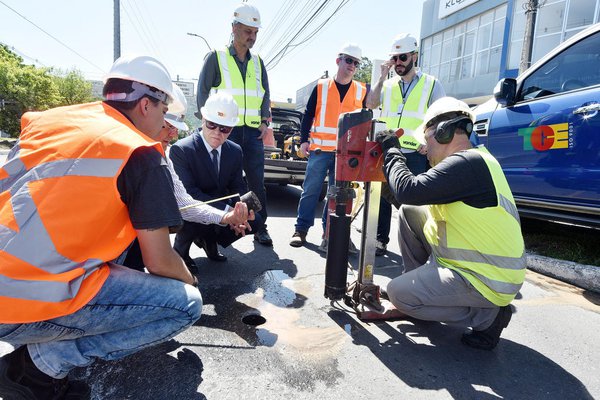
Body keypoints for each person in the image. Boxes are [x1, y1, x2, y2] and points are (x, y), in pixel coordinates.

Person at [0, 54, 202, 398]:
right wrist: (189, 277)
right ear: (144, 106)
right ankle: (37, 367)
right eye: (164, 110)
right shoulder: (139, 151)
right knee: (187, 303)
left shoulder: (51, 121)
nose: (164, 121)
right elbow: (159, 261)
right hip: (21, 303)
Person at [375, 97, 526, 350]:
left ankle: (488, 317)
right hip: (470, 266)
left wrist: (392, 150)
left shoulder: (468, 163)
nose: (424, 149)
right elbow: (410, 201)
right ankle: (418, 289)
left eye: (427, 140)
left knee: (399, 294)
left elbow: (409, 189)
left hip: (487, 278)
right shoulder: (471, 163)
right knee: (411, 212)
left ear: (443, 132)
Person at [123, 84, 251, 272]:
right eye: (168, 125)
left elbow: (185, 205)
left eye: (224, 128)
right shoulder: (129, 151)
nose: (175, 134)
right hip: (94, 264)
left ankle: (210, 243)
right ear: (145, 109)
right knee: (185, 299)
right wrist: (185, 278)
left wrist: (230, 215)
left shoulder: (161, 153)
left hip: (123, 250)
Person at [196, 2, 273, 246]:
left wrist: (263, 122)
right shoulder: (216, 58)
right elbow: (202, 95)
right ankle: (215, 228)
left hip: (251, 134)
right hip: (224, 131)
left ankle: (259, 226)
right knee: (221, 182)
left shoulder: (258, 62)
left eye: (255, 32)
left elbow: (265, 94)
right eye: (248, 31)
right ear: (234, 28)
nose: (252, 36)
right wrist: (209, 129)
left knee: (255, 181)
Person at [366, 33, 446, 256]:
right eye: (394, 59)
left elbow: (441, 116)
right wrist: (382, 76)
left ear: (414, 56)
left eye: (402, 58)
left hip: (415, 153)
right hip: (389, 150)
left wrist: (430, 144)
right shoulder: (388, 84)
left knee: (413, 203)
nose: (398, 63)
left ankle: (420, 244)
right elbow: (371, 103)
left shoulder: (431, 84)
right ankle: (380, 240)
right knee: (382, 197)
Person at [170, 92, 264, 268]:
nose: (216, 132)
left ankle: (210, 241)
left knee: (256, 220)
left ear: (231, 129)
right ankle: (181, 250)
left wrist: (243, 211)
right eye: (212, 124)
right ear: (203, 119)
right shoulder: (181, 150)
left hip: (219, 206)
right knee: (193, 212)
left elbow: (238, 187)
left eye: (224, 129)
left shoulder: (235, 151)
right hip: (192, 207)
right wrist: (229, 213)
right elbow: (189, 195)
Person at [289, 43, 367, 250]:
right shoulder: (322, 86)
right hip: (320, 150)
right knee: (310, 191)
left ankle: (330, 233)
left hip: (344, 153)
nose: (352, 65)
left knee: (336, 195)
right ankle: (301, 230)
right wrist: (304, 140)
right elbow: (308, 115)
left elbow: (365, 120)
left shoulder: (361, 90)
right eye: (348, 60)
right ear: (338, 60)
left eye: (356, 63)